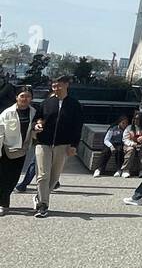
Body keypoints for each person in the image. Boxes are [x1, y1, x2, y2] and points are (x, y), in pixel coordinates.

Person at [33, 75, 84, 218]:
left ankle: (40, 197)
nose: (56, 88)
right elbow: (37, 118)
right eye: (54, 85)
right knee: (43, 175)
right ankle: (43, 205)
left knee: (54, 177)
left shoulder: (74, 105)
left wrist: (74, 145)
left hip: (63, 144)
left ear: (67, 85)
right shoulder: (46, 103)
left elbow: (77, 127)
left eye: (59, 85)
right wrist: (36, 125)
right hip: (43, 143)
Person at [0, 86, 37, 214]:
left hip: (21, 150)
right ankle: (3, 203)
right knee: (3, 177)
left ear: (31, 98)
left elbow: (34, 128)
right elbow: (0, 132)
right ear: (16, 97)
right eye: (22, 96)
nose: (25, 99)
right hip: (6, 149)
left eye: (28, 96)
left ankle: (4, 200)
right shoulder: (7, 113)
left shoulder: (33, 112)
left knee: (13, 178)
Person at [122, 112, 142, 177]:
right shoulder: (129, 128)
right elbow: (125, 139)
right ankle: (126, 170)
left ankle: (141, 170)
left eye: (138, 119)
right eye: (135, 118)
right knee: (130, 150)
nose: (135, 120)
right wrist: (133, 144)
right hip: (130, 145)